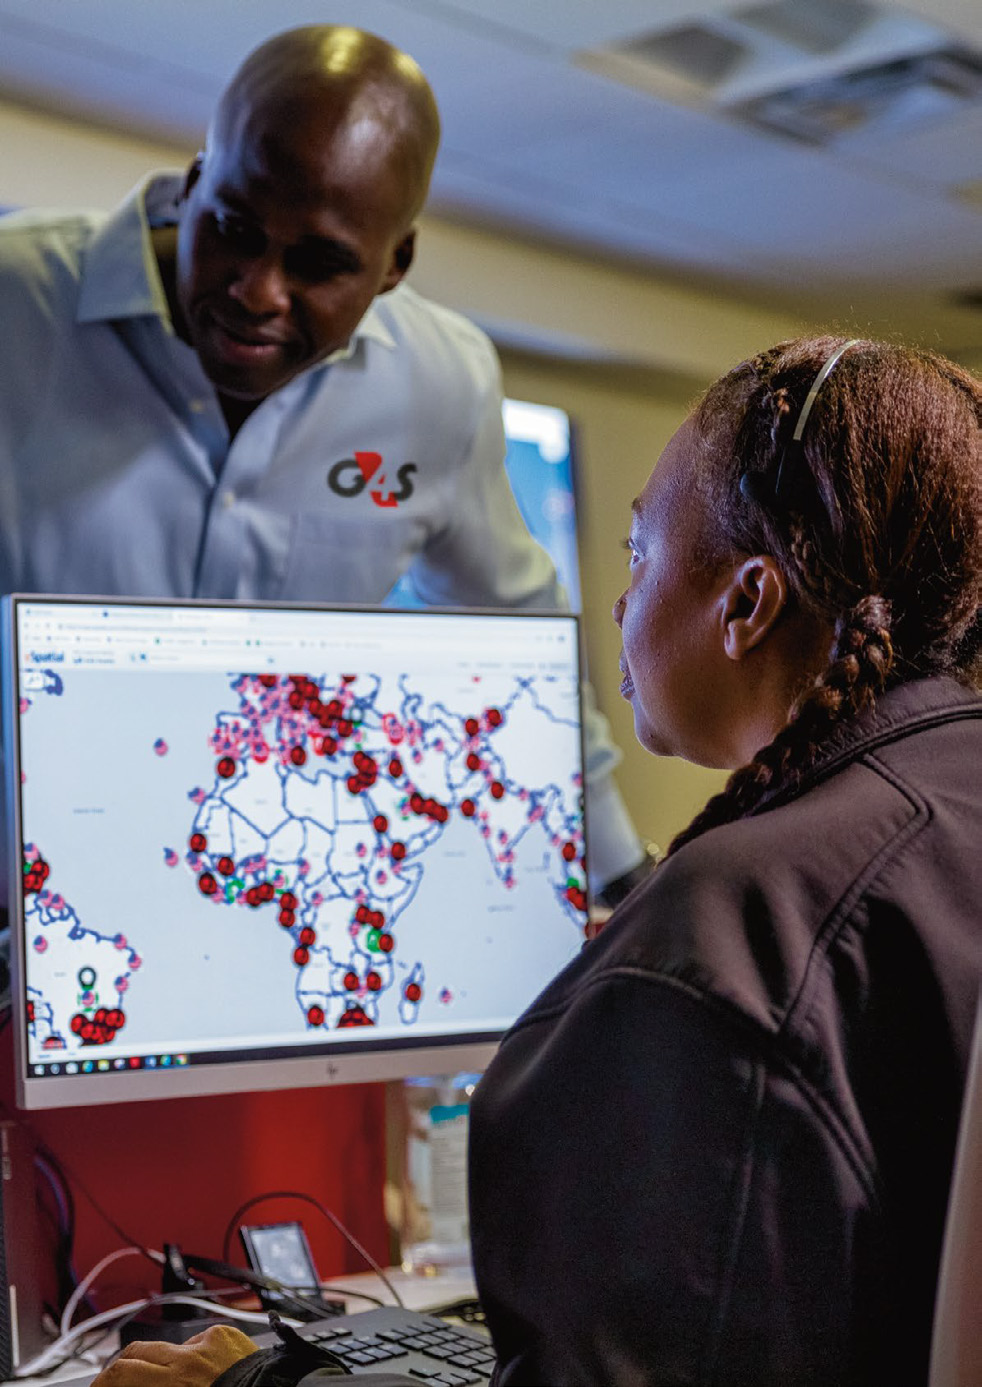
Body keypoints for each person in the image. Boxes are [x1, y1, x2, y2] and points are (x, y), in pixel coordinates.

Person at [90, 337, 981, 1387]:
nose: (617, 603)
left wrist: (255, 1383)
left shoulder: (727, 939)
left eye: (640, 552)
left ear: (744, 604)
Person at [0, 23, 648, 906]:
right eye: (231, 227)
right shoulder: (15, 304)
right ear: (194, 186)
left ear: (395, 265)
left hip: (259, 899)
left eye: (317, 263)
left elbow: (518, 652)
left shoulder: (440, 385)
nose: (257, 290)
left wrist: (621, 878)